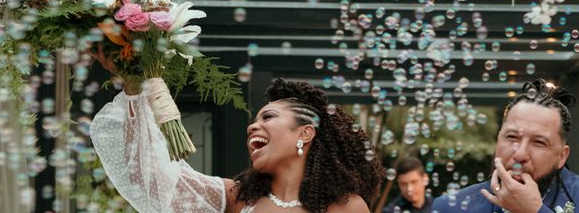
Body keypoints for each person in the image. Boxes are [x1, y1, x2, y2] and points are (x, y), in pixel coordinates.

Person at [89, 65, 384, 213]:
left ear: (305, 132)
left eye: (267, 117)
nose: (252, 127)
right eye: (254, 120)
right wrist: (134, 88)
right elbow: (147, 178)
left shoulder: (346, 206)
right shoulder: (239, 197)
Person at [433, 79, 579, 213]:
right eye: (512, 137)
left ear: (561, 157)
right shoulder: (451, 207)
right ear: (498, 140)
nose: (520, 153)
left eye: (538, 142)